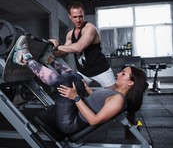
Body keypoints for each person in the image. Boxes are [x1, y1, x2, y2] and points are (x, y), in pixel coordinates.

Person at [12, 35, 148, 134]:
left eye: (123, 74)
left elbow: (94, 120)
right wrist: (87, 89)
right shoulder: (116, 95)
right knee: (76, 76)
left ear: (130, 82)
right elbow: (98, 103)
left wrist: (76, 97)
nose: (118, 74)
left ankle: (25, 58)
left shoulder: (119, 100)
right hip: (74, 113)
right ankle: (49, 60)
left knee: (65, 82)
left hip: (69, 123)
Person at [48, 1, 116, 89]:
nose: (78, 20)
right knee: (75, 93)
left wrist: (57, 46)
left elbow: (78, 48)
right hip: (83, 72)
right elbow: (62, 52)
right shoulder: (70, 34)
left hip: (101, 70)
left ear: (84, 14)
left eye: (80, 16)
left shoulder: (90, 28)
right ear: (69, 16)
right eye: (74, 17)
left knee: (115, 95)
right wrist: (50, 49)